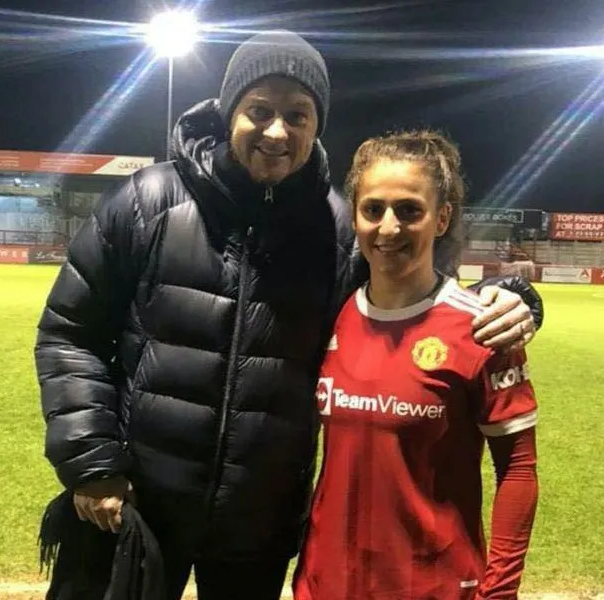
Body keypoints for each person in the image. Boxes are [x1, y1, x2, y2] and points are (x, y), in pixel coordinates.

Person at [35, 31, 541, 600]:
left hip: (260, 523)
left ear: (316, 125)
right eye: (260, 111)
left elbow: (419, 282)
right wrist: (93, 461)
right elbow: (69, 333)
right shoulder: (148, 202)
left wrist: (514, 294)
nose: (277, 132)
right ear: (230, 113)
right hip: (141, 502)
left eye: (298, 115)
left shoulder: (338, 231)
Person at [293, 130, 538, 600]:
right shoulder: (334, 314)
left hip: (433, 586)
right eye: (373, 209)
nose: (388, 228)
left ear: (441, 218)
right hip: (326, 582)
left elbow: (520, 469)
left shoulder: (484, 329)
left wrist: (500, 589)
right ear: (356, 217)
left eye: (409, 210)